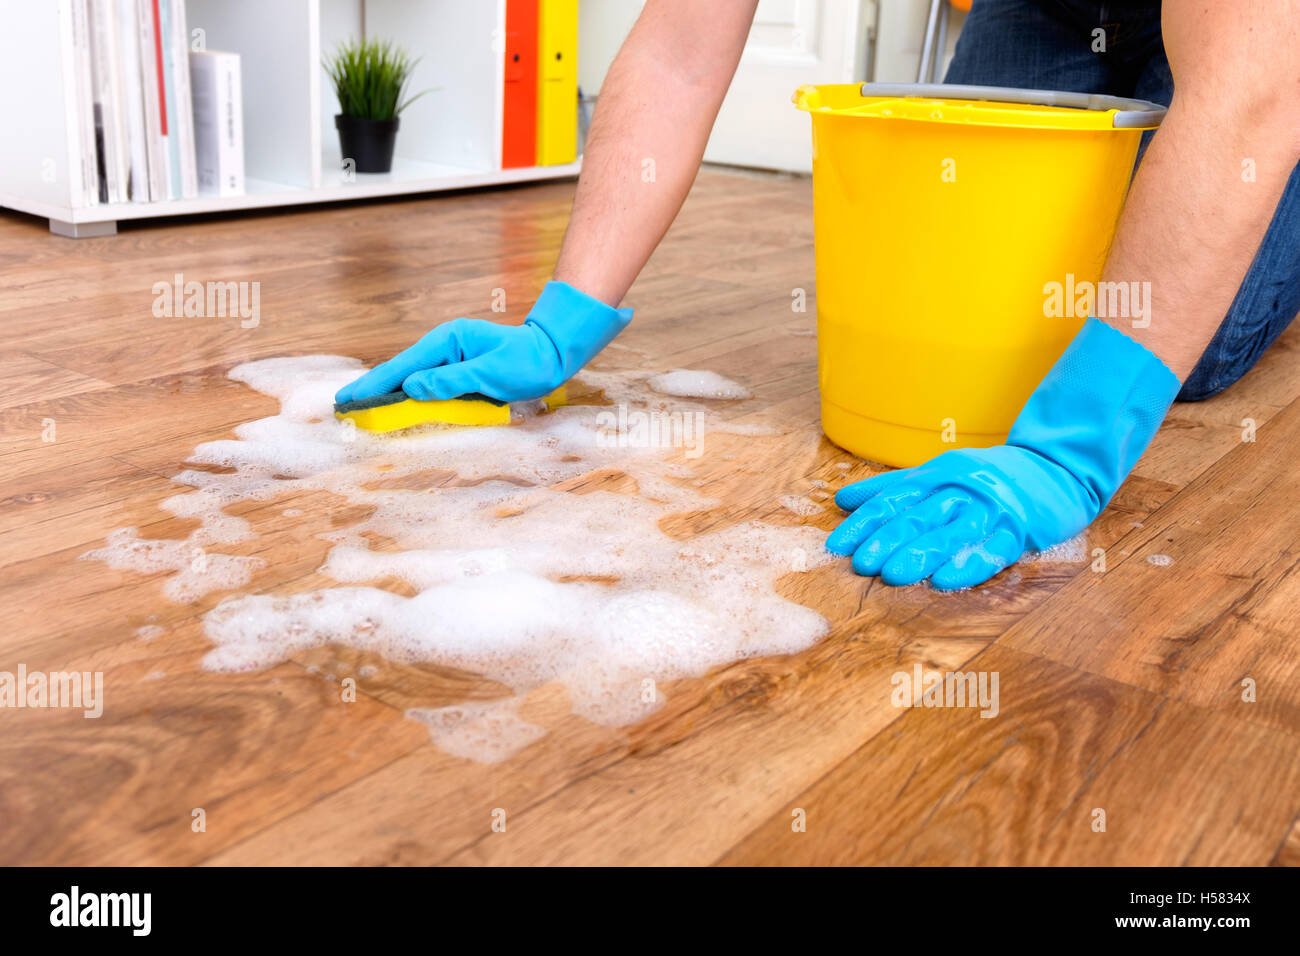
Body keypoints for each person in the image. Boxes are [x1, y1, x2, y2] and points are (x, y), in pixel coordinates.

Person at [335, 0, 1300, 590]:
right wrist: (562, 318)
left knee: (1195, 345)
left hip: (1261, 37)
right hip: (1047, 5)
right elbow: (679, 48)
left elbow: (1250, 83)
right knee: (996, 287)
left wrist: (1074, 445)